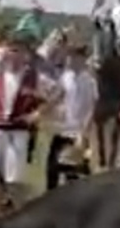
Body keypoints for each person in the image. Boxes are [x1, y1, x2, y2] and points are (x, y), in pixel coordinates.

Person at [0, 41, 43, 209]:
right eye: (11, 50)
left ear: (25, 55)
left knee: (14, 181)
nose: (13, 55)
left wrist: (37, 114)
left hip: (18, 130)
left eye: (18, 51)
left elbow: (55, 94)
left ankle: (19, 214)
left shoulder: (32, 77)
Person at [41, 43, 97, 189]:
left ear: (81, 58)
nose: (70, 60)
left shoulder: (89, 82)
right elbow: (56, 97)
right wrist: (41, 112)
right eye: (69, 56)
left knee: (75, 173)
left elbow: (91, 109)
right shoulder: (66, 77)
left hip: (78, 133)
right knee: (52, 169)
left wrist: (84, 134)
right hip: (63, 130)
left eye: (74, 57)